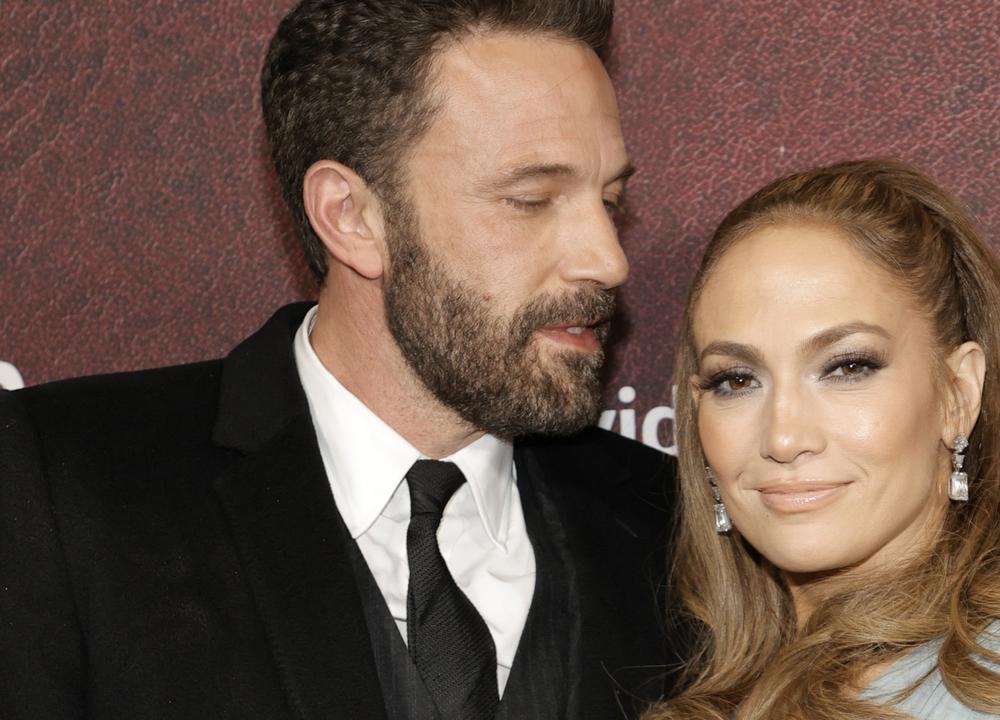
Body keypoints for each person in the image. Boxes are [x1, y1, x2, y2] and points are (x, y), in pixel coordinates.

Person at [0, 1, 675, 718]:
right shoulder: (61, 486)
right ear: (351, 217)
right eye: (531, 199)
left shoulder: (672, 526)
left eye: (610, 200)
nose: (607, 259)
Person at [645, 159, 1000, 719]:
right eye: (736, 380)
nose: (783, 437)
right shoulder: (717, 694)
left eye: (846, 367)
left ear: (957, 394)